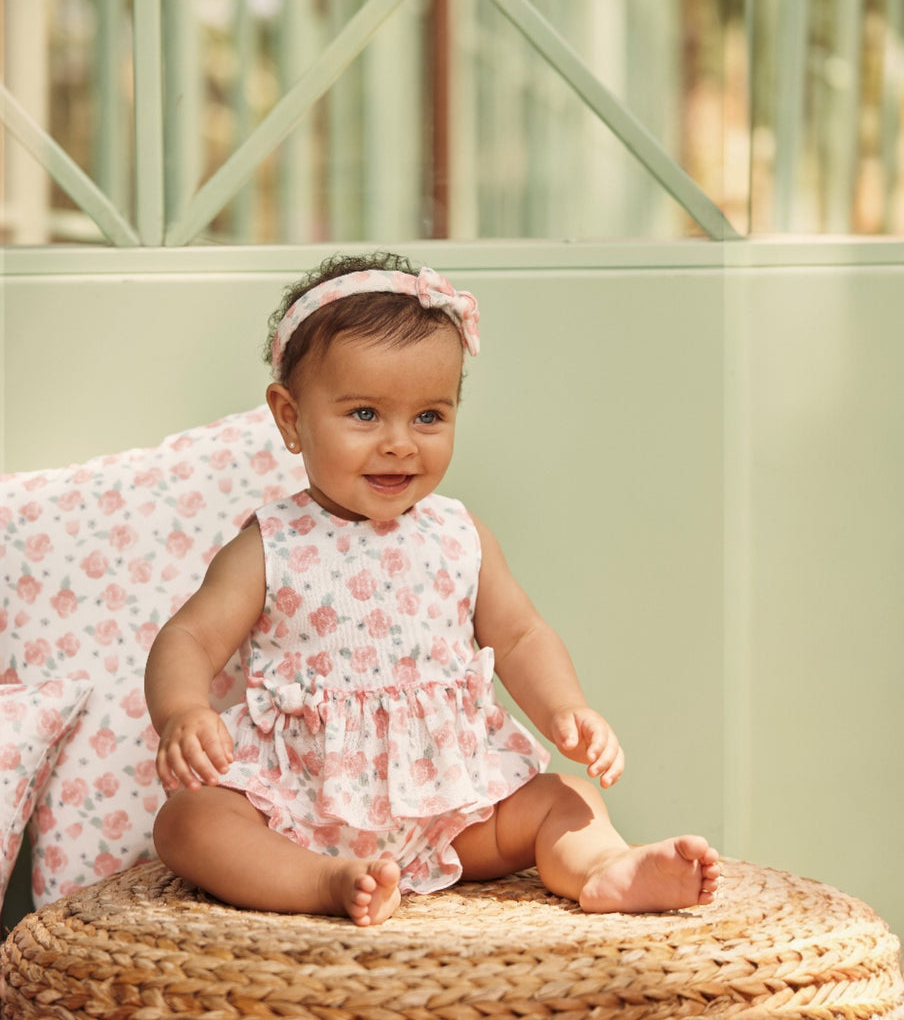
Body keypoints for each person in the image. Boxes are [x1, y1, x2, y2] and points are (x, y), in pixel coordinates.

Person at [145, 251, 720, 927]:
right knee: (189, 821)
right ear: (290, 417)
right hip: (296, 805)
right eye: (364, 414)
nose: (400, 444)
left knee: (564, 797)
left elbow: (520, 634)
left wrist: (567, 708)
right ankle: (323, 881)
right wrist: (183, 711)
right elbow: (189, 635)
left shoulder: (458, 534)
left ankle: (602, 868)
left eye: (428, 417)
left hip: (453, 810)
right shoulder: (271, 544)